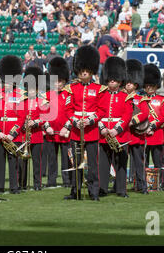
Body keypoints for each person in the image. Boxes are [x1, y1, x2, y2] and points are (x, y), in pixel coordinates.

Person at [65, 45, 105, 201]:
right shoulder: (71, 88)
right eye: (82, 70)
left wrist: (90, 120)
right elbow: (68, 109)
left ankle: (93, 192)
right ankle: (75, 191)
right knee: (76, 163)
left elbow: (101, 110)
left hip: (91, 131)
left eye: (86, 70)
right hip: (76, 131)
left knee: (93, 166)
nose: (84, 73)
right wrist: (75, 121)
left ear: (91, 71)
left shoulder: (99, 89)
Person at [97, 56, 133, 198]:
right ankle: (102, 188)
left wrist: (116, 130)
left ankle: (121, 189)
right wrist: (103, 128)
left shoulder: (126, 96)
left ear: (120, 80)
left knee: (121, 163)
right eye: (110, 78)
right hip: (104, 133)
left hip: (120, 134)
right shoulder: (101, 95)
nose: (112, 81)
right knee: (104, 163)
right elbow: (96, 112)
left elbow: (127, 115)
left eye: (115, 79)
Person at [0, 55, 26, 194]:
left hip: (14, 135)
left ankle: (14, 186)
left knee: (14, 162)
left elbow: (21, 117)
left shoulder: (19, 95)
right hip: (0, 133)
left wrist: (12, 134)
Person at [42, 57, 73, 188]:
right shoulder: (47, 95)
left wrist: (67, 127)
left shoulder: (69, 94)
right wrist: (47, 126)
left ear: (65, 81)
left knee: (66, 159)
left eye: (60, 81)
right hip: (51, 132)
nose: (58, 84)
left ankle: (67, 181)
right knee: (52, 158)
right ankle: (51, 181)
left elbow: (72, 113)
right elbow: (43, 113)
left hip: (65, 132)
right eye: (56, 81)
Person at [142, 64, 164, 189]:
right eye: (147, 86)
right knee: (144, 160)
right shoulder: (141, 99)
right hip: (143, 134)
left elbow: (163, 116)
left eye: (151, 86)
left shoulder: (162, 99)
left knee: (158, 161)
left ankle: (160, 183)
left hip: (156, 134)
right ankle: (144, 183)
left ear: (156, 86)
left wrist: (152, 126)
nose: (149, 88)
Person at [125, 59, 149, 194]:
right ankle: (120, 186)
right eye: (127, 83)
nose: (128, 85)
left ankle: (143, 186)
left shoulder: (141, 99)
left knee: (139, 164)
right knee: (121, 163)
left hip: (136, 136)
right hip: (123, 135)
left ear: (135, 85)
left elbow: (144, 113)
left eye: (130, 83)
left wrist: (131, 121)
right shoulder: (122, 97)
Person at [20, 66, 46, 191]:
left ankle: (37, 183)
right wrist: (23, 123)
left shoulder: (41, 101)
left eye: (33, 89)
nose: (31, 91)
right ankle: (22, 183)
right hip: (24, 135)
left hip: (36, 135)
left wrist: (35, 122)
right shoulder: (22, 101)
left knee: (37, 161)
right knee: (23, 161)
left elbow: (45, 118)